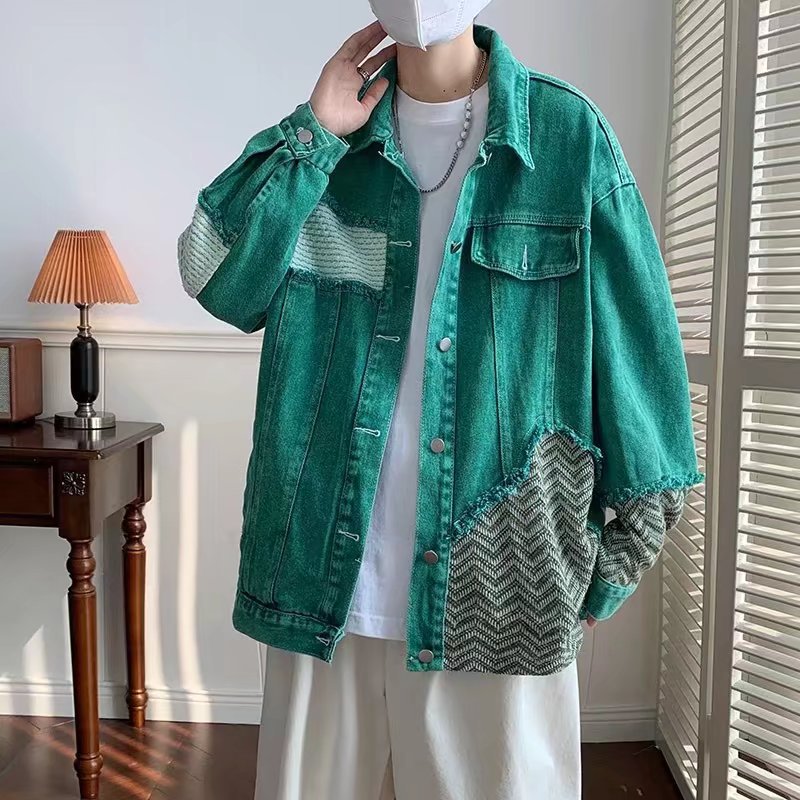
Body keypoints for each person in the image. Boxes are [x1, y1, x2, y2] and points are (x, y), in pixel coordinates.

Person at [177, 2, 702, 798]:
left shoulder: (567, 139)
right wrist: (312, 134)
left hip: (506, 587)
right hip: (319, 580)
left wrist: (603, 570)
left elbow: (645, 382)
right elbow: (215, 275)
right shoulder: (330, 145)